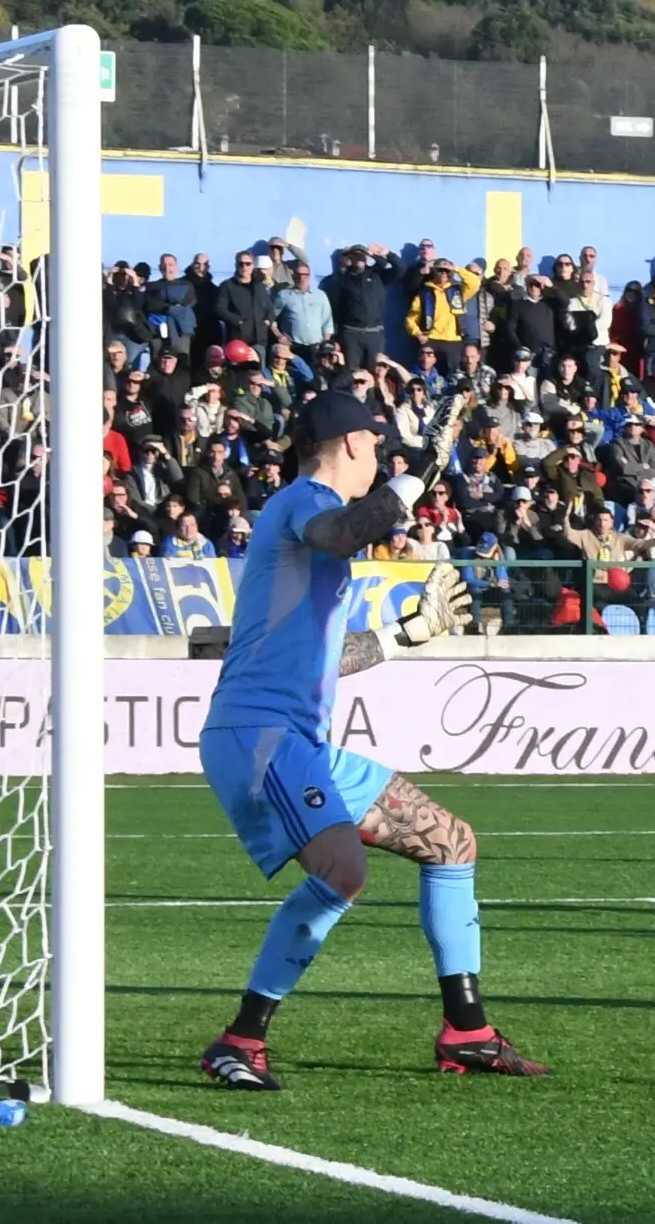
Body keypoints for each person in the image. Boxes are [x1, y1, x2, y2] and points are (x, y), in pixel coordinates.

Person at [194, 387, 546, 1090]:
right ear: (353, 444)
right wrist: (419, 472)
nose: (380, 457)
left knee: (450, 840)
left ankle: (468, 1031)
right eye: (376, 447)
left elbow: (321, 651)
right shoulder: (302, 503)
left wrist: (404, 635)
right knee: (343, 871)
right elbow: (345, 531)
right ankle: (240, 1040)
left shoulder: (308, 519)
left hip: (296, 741)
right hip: (264, 738)